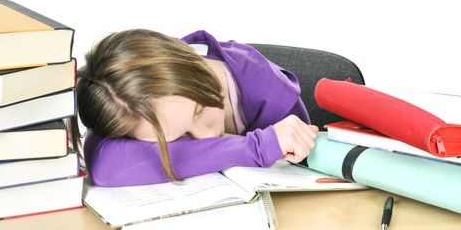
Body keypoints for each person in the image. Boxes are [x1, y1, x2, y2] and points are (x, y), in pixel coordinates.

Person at [70, 29, 318, 187]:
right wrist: (255, 148)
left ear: (195, 64)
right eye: (181, 138)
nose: (207, 137)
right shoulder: (134, 95)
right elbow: (104, 165)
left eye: (199, 110)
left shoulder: (274, 96)